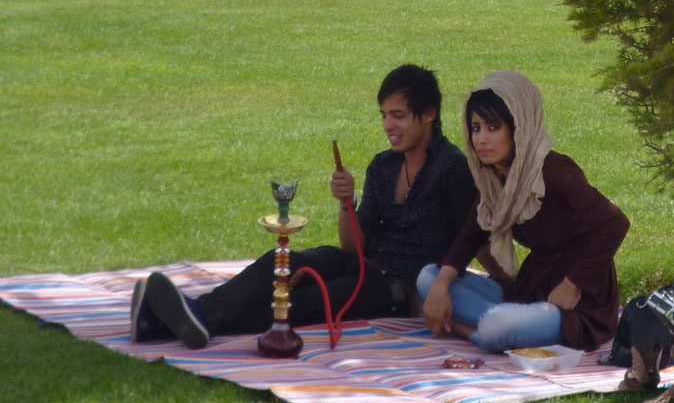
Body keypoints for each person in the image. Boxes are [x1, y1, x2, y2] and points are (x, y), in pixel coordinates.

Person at [131, 64, 477, 349]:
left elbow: (470, 236)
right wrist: (345, 203)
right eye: (384, 115)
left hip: (399, 290)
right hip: (362, 264)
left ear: (429, 113)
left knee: (299, 303)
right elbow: (352, 246)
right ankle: (196, 314)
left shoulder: (451, 167)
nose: (388, 125)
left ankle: (168, 323)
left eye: (398, 115)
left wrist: (482, 283)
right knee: (280, 263)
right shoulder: (383, 165)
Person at [418, 71, 630, 353]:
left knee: (497, 326)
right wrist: (442, 286)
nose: (481, 138)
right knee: (428, 279)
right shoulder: (494, 178)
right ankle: (501, 327)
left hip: (577, 302)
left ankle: (478, 332)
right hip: (531, 291)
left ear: (519, 127)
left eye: (493, 128)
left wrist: (572, 284)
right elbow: (470, 236)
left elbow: (614, 223)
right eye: (476, 127)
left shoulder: (553, 172)